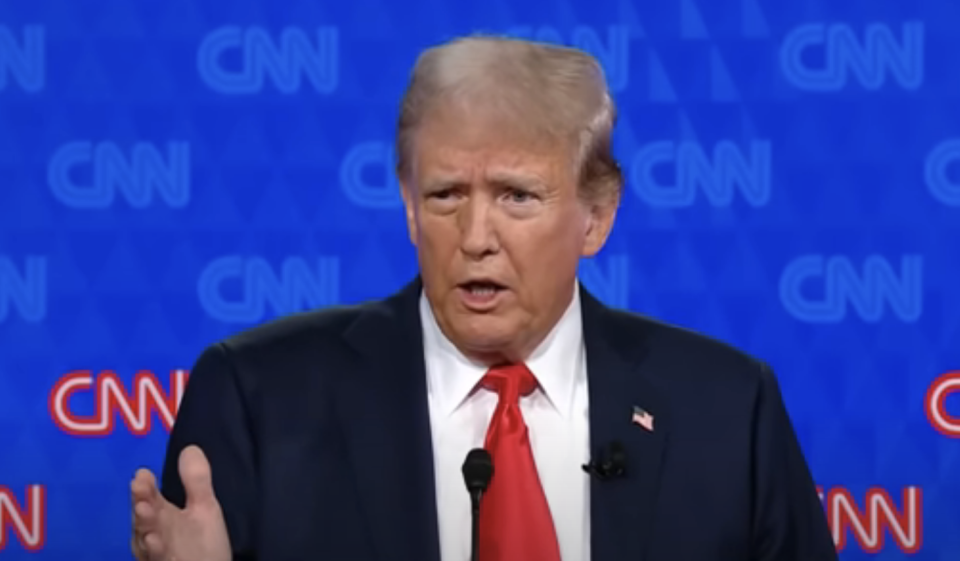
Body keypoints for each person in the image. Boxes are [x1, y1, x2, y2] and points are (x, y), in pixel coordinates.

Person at [129, 35, 838, 561]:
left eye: (516, 196)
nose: (475, 237)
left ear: (597, 214)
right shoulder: (262, 398)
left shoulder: (726, 409)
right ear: (408, 206)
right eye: (445, 196)